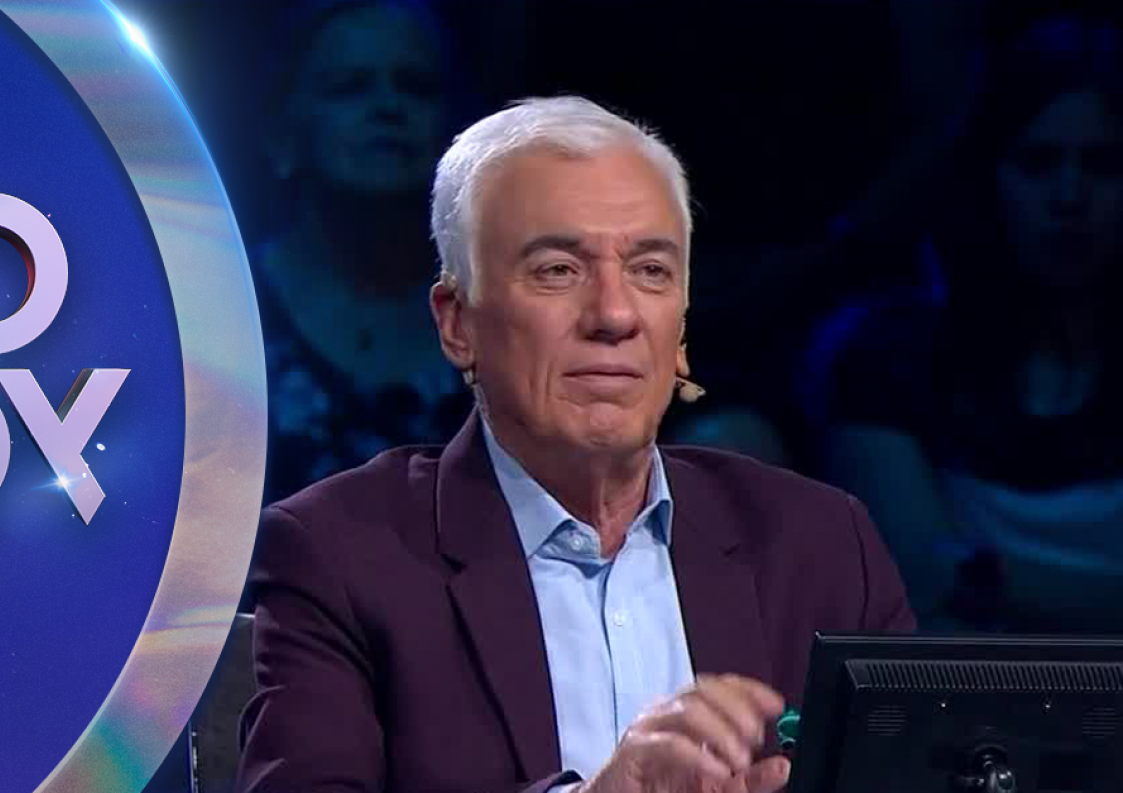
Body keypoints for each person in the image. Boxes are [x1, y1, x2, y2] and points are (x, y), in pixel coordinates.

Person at [239, 96, 914, 793]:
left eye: (650, 271)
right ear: (458, 323)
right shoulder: (338, 557)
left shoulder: (823, 545)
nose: (614, 315)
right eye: (558, 269)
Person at [818, 12, 1123, 633]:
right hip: (960, 691)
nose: (1069, 196)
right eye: (1038, 163)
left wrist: (992, 580)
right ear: (989, 178)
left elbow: (957, 578)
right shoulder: (890, 359)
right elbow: (918, 580)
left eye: (1101, 165)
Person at [254, 0, 472, 505]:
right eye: (349, 87)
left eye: (415, 86)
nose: (389, 106)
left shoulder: (500, 315)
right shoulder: (220, 305)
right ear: (283, 131)